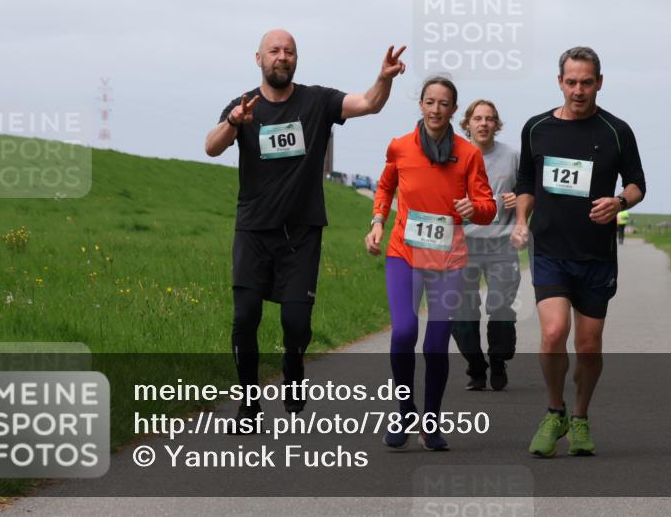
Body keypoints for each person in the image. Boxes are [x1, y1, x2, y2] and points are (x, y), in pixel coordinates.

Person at [205, 29, 406, 427]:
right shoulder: (244, 106)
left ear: (297, 59)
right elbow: (211, 146)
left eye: (290, 51)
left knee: (296, 325)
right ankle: (248, 404)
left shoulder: (317, 101)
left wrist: (383, 78)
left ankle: (293, 364)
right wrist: (233, 122)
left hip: (301, 234)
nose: (282, 57)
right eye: (274, 51)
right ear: (258, 58)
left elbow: (368, 104)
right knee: (244, 318)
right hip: (253, 231)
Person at [510, 46, 646, 457]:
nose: (579, 90)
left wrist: (619, 202)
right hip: (549, 249)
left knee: (588, 346)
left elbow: (638, 183)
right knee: (553, 333)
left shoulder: (616, 131)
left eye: (587, 82)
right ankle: (555, 412)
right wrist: (520, 220)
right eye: (571, 82)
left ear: (599, 83)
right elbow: (526, 183)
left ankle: (581, 417)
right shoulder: (536, 128)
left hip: (596, 256)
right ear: (559, 82)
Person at [365, 77, 496, 451]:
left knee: (436, 344)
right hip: (404, 254)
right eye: (429, 102)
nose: (436, 110)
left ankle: (431, 420)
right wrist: (377, 222)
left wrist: (476, 208)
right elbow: (386, 187)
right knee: (404, 332)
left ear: (455, 110)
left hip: (449, 260)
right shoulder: (400, 147)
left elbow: (487, 208)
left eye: (444, 104)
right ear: (420, 105)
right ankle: (405, 409)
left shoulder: (468, 154)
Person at [451, 100, 521, 391]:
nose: (483, 124)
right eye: (477, 118)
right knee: (463, 311)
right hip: (463, 244)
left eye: (489, 119)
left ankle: (499, 358)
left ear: (496, 124)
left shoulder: (512, 156)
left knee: (500, 306)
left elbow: (528, 193)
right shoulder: (453, 155)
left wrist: (518, 201)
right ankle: (476, 365)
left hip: (501, 243)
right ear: (467, 124)